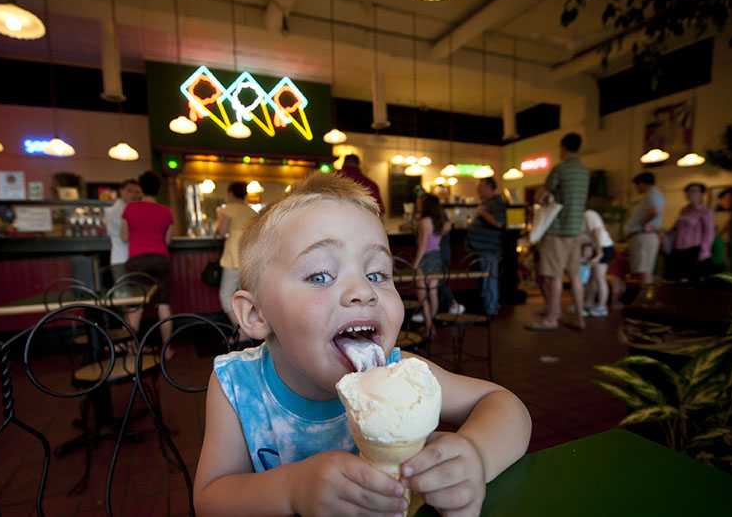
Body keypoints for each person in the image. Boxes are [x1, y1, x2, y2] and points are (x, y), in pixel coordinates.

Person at [194, 173, 531, 516]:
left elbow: (506, 405)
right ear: (255, 314)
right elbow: (209, 499)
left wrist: (475, 456)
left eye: (376, 275)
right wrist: (292, 489)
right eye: (320, 276)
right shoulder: (237, 386)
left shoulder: (401, 375)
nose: (363, 291)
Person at [529, 132, 591, 331]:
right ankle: (580, 317)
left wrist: (544, 198)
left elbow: (540, 196)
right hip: (576, 230)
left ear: (563, 148)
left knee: (553, 276)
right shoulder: (584, 171)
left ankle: (552, 318)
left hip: (557, 230)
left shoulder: (560, 169)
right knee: (574, 276)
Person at [121, 171, 175, 352]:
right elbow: (168, 241)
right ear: (158, 189)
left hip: (137, 261)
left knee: (136, 306)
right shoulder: (166, 211)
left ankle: (131, 349)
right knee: (163, 304)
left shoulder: (130, 209)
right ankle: (167, 349)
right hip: (161, 259)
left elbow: (124, 236)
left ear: (140, 188)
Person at [215, 181, 257, 325]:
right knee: (247, 295)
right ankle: (250, 327)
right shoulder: (252, 211)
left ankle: (241, 329)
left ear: (231, 193)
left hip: (233, 255)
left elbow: (221, 232)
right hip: (250, 256)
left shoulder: (227, 209)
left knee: (226, 295)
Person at [467, 177, 507, 317]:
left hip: (489, 249)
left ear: (490, 188)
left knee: (490, 279)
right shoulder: (488, 202)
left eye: (481, 187)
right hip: (483, 249)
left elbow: (499, 223)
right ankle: (488, 307)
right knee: (487, 279)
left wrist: (482, 213)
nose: (478, 189)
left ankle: (491, 309)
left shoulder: (496, 203)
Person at [412, 193, 447, 337]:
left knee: (422, 294)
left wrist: (415, 264)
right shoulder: (439, 220)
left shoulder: (424, 221)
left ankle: (429, 327)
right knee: (433, 293)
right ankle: (431, 325)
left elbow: (422, 245)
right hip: (437, 257)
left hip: (425, 258)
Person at [667, 182, 716, 282]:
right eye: (688, 191)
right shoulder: (684, 210)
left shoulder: (706, 211)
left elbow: (709, 233)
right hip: (679, 249)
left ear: (701, 194)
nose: (690, 194)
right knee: (679, 280)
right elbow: (677, 229)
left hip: (694, 250)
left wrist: (704, 251)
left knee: (694, 281)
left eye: (693, 191)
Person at [624, 172, 665, 284]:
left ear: (642, 183)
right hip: (642, 236)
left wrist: (641, 225)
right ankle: (642, 298)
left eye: (636, 185)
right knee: (641, 271)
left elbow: (654, 212)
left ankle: (644, 299)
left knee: (642, 272)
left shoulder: (652, 194)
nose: (636, 188)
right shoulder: (653, 195)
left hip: (643, 236)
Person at [103, 179, 141, 283]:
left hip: (130, 259)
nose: (133, 195)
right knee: (125, 294)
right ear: (121, 191)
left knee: (136, 294)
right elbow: (127, 235)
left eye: (137, 192)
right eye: (129, 191)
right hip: (122, 259)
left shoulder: (133, 209)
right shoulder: (114, 211)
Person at [582, 208, 615, 317]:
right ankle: (588, 303)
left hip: (603, 247)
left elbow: (596, 231)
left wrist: (599, 252)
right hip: (598, 247)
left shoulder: (588, 214)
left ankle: (602, 307)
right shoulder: (583, 216)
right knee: (593, 278)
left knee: (599, 278)